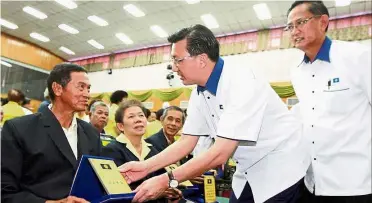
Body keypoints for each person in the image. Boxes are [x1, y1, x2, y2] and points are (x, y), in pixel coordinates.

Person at [120, 24, 309, 203]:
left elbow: (220, 153)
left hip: (280, 166)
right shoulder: (199, 92)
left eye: (177, 60)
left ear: (201, 59)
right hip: (249, 169)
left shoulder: (241, 82)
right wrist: (144, 167)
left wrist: (166, 180)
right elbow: (186, 142)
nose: (174, 67)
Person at [287, 1, 371, 203]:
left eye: (300, 22)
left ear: (323, 22)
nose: (294, 31)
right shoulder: (297, 72)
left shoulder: (358, 57)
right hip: (313, 183)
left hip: (355, 184)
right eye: (290, 27)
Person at [1, 63, 101, 203]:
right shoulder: (19, 129)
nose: (87, 94)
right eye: (81, 87)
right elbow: (5, 190)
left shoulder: (91, 133)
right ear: (57, 88)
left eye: (88, 88)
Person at [101, 100, 182, 202]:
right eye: (131, 117)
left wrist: (170, 193)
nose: (138, 120)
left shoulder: (153, 149)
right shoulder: (111, 150)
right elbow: (116, 190)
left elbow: (162, 180)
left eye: (141, 115)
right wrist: (159, 192)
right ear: (121, 126)